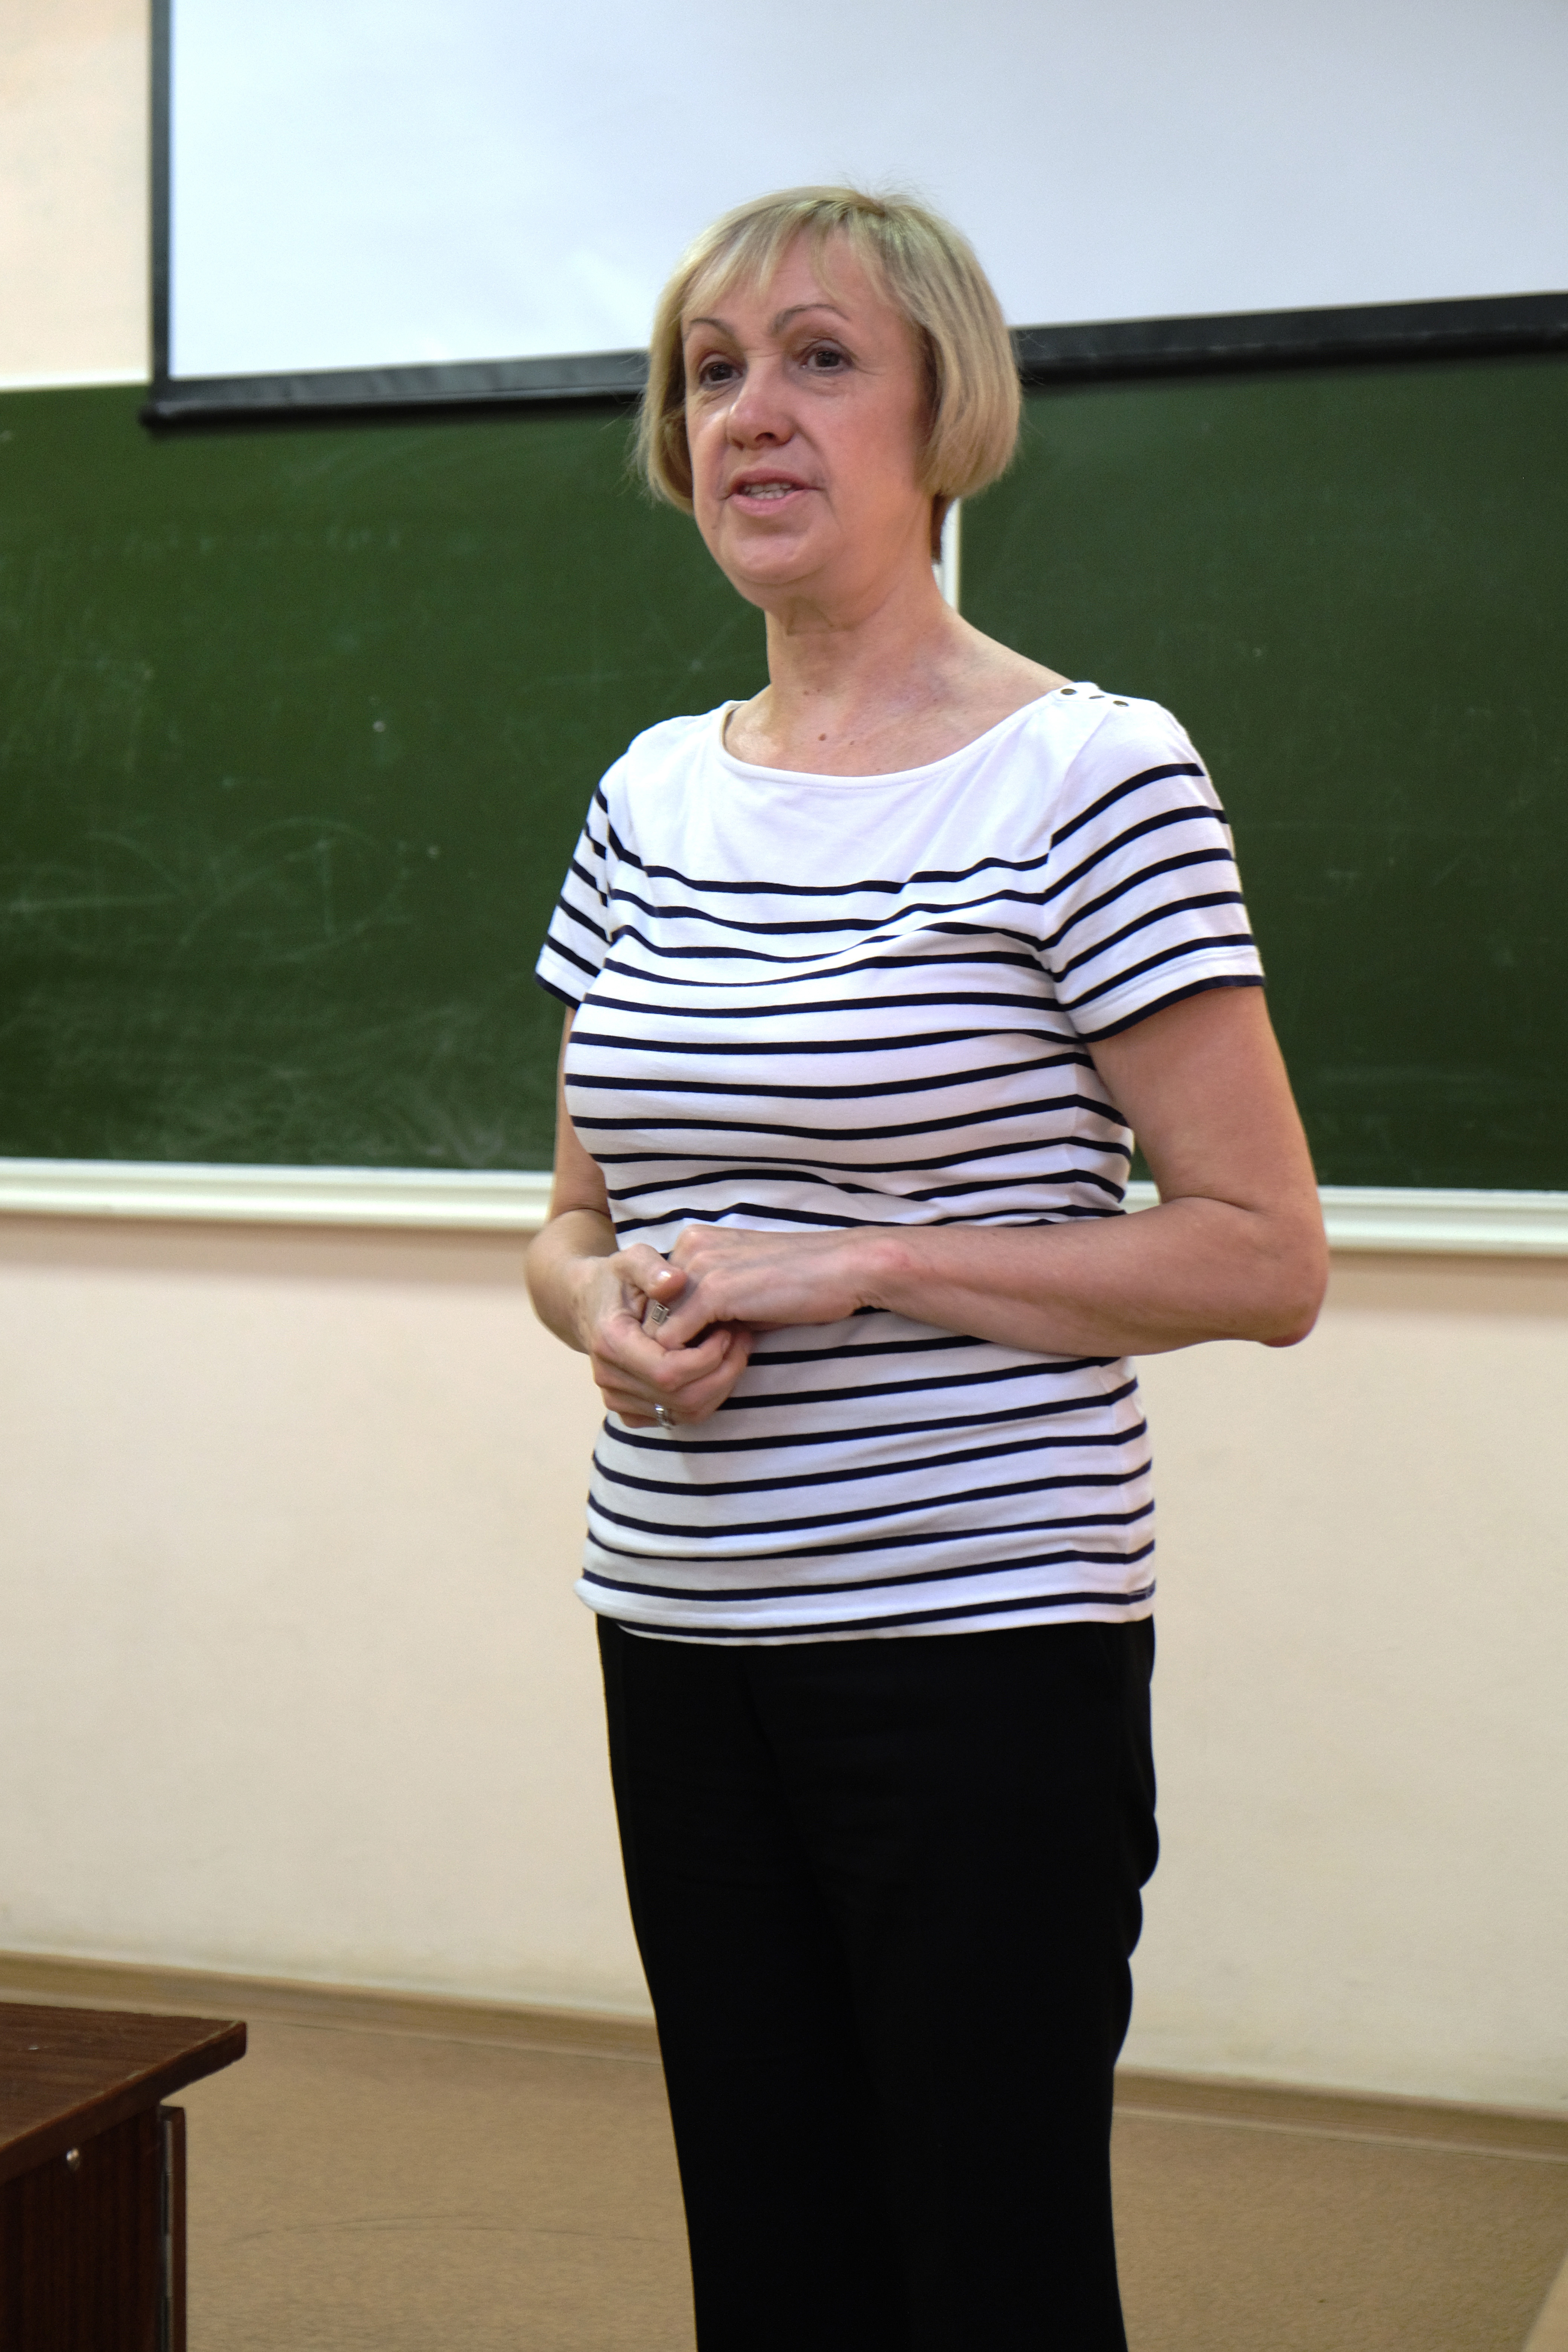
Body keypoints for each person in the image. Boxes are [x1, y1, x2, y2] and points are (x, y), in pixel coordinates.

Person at [525, 186, 1327, 2352]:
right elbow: (571, 1226)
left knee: (987, 2261)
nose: (751, 414)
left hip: (978, 1644)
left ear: (944, 412)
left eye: (820, 358)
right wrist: (605, 1319)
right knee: (772, 2246)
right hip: (680, 1625)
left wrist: (865, 1261)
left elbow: (1263, 1255)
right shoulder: (647, 799)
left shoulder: (1090, 773)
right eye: (711, 373)